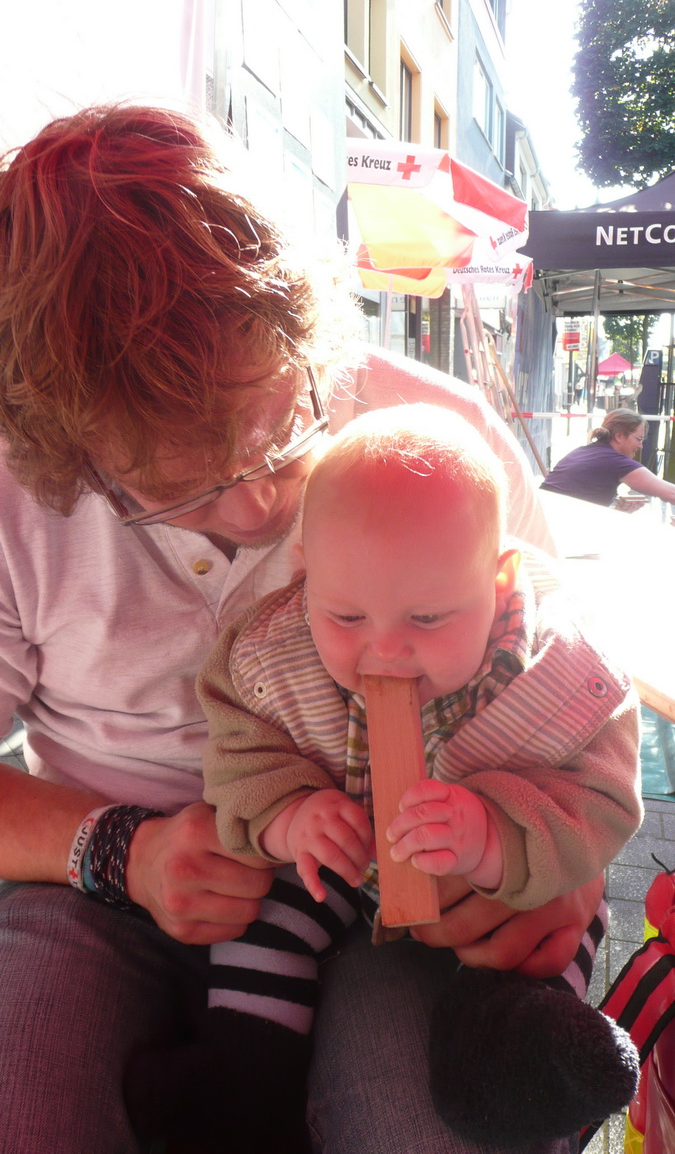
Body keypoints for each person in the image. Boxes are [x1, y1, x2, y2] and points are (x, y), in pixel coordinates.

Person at [0, 100, 607, 1154]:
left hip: (396, 880)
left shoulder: (439, 444)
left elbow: (561, 684)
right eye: (182, 486)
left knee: (422, 1129)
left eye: (283, 430)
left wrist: (568, 863)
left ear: (302, 321)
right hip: (105, 880)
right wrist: (118, 850)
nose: (258, 507)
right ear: (69, 448)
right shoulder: (15, 491)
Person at [172, 403, 640, 1151]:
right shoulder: (269, 659)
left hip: (505, 893)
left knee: (543, 946)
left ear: (500, 579)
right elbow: (237, 762)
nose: (384, 651)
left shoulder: (561, 674)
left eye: (427, 619)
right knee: (264, 915)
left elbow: (603, 801)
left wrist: (492, 837)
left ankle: (515, 1066)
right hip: (343, 865)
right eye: (346, 618)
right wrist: (289, 816)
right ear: (305, 575)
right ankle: (243, 1074)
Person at [541, 408, 675, 508]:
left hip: (543, 519)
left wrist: (618, 512)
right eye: (638, 439)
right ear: (619, 436)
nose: (640, 446)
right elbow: (671, 493)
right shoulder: (615, 462)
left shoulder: (582, 451)